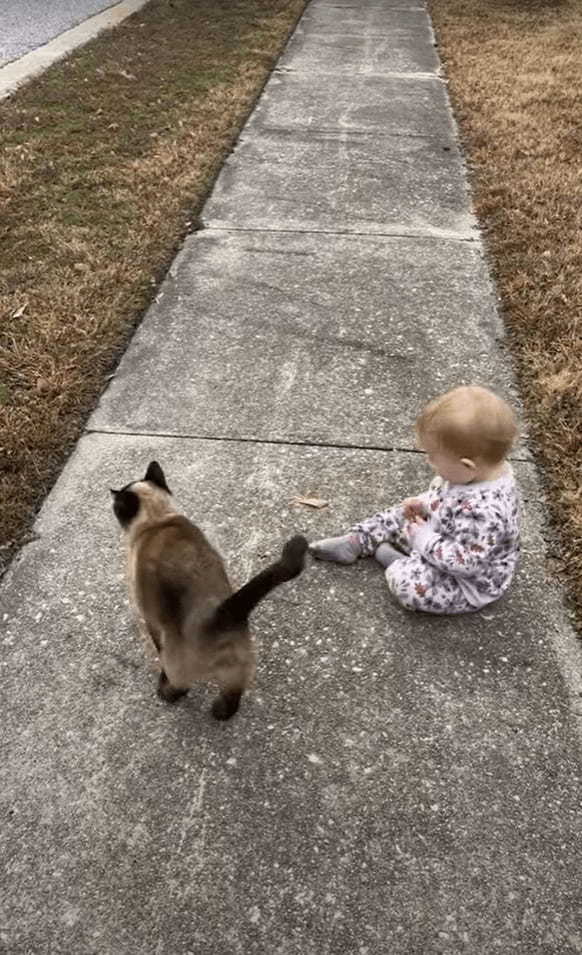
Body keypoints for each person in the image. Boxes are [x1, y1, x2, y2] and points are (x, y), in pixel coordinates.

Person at [309, 385, 520, 614]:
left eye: (433, 458)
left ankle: (397, 562)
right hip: (442, 537)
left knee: (413, 590)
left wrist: (423, 538)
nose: (429, 462)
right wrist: (425, 503)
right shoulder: (473, 476)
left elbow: (464, 564)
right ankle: (356, 541)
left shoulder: (486, 512)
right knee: (400, 514)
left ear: (467, 466)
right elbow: (450, 499)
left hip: (466, 582)